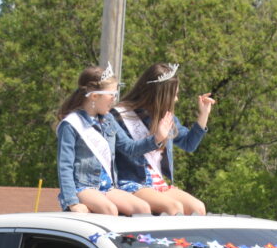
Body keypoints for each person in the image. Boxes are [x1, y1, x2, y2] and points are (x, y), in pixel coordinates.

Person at [55, 64, 173, 215]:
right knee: (109, 210)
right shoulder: (71, 125)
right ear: (94, 96)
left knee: (142, 209)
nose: (114, 99)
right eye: (111, 94)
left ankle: (131, 240)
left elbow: (129, 148)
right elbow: (64, 166)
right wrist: (72, 202)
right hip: (83, 186)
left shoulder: (109, 119)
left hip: (108, 186)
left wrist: (157, 138)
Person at [112, 62, 214, 216]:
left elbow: (189, 144)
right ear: (160, 95)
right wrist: (157, 137)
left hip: (158, 183)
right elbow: (129, 150)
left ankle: (185, 241)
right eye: (174, 95)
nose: (177, 99)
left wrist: (203, 114)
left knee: (198, 208)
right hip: (133, 181)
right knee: (173, 208)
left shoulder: (166, 118)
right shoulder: (120, 115)